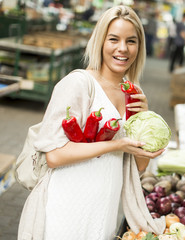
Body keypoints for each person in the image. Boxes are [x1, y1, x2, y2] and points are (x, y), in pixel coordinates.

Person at [21, 5, 165, 239]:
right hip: (66, 207)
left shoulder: (133, 92)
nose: (122, 48)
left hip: (103, 212)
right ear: (100, 41)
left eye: (131, 41)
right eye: (114, 39)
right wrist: (116, 145)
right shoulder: (78, 84)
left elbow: (138, 167)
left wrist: (144, 125)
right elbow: (54, 155)